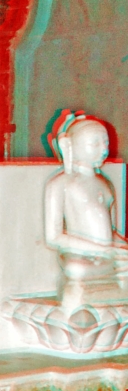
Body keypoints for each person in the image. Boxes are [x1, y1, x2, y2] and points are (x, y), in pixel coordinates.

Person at [44, 112, 128, 306]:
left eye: (105, 143)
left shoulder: (105, 183)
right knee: (76, 269)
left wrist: (121, 247)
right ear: (69, 146)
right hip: (81, 258)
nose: (103, 150)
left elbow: (111, 232)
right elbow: (54, 237)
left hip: (107, 257)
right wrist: (102, 250)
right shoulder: (60, 184)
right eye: (95, 143)